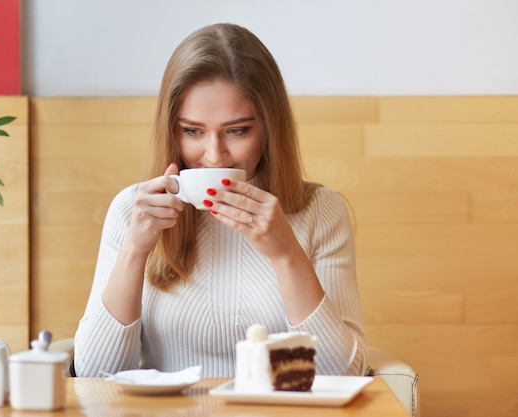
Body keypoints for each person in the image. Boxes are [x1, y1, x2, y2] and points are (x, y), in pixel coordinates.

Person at [74, 23, 368, 378]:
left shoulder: (321, 212)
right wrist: (135, 250)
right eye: (193, 131)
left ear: (269, 129)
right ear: (172, 130)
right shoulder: (132, 210)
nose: (215, 156)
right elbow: (93, 376)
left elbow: (346, 376)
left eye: (237, 130)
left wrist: (286, 253)